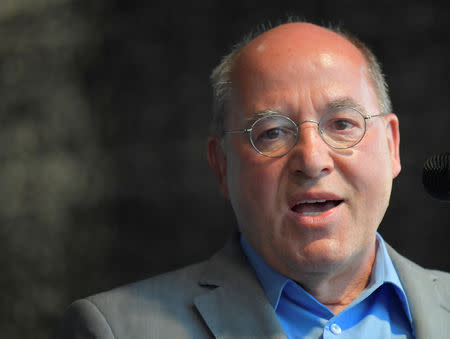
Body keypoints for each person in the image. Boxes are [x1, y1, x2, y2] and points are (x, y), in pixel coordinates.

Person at [57, 21, 450, 339]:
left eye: (343, 124)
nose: (312, 160)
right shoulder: (113, 330)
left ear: (392, 145)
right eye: (272, 132)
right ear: (222, 166)